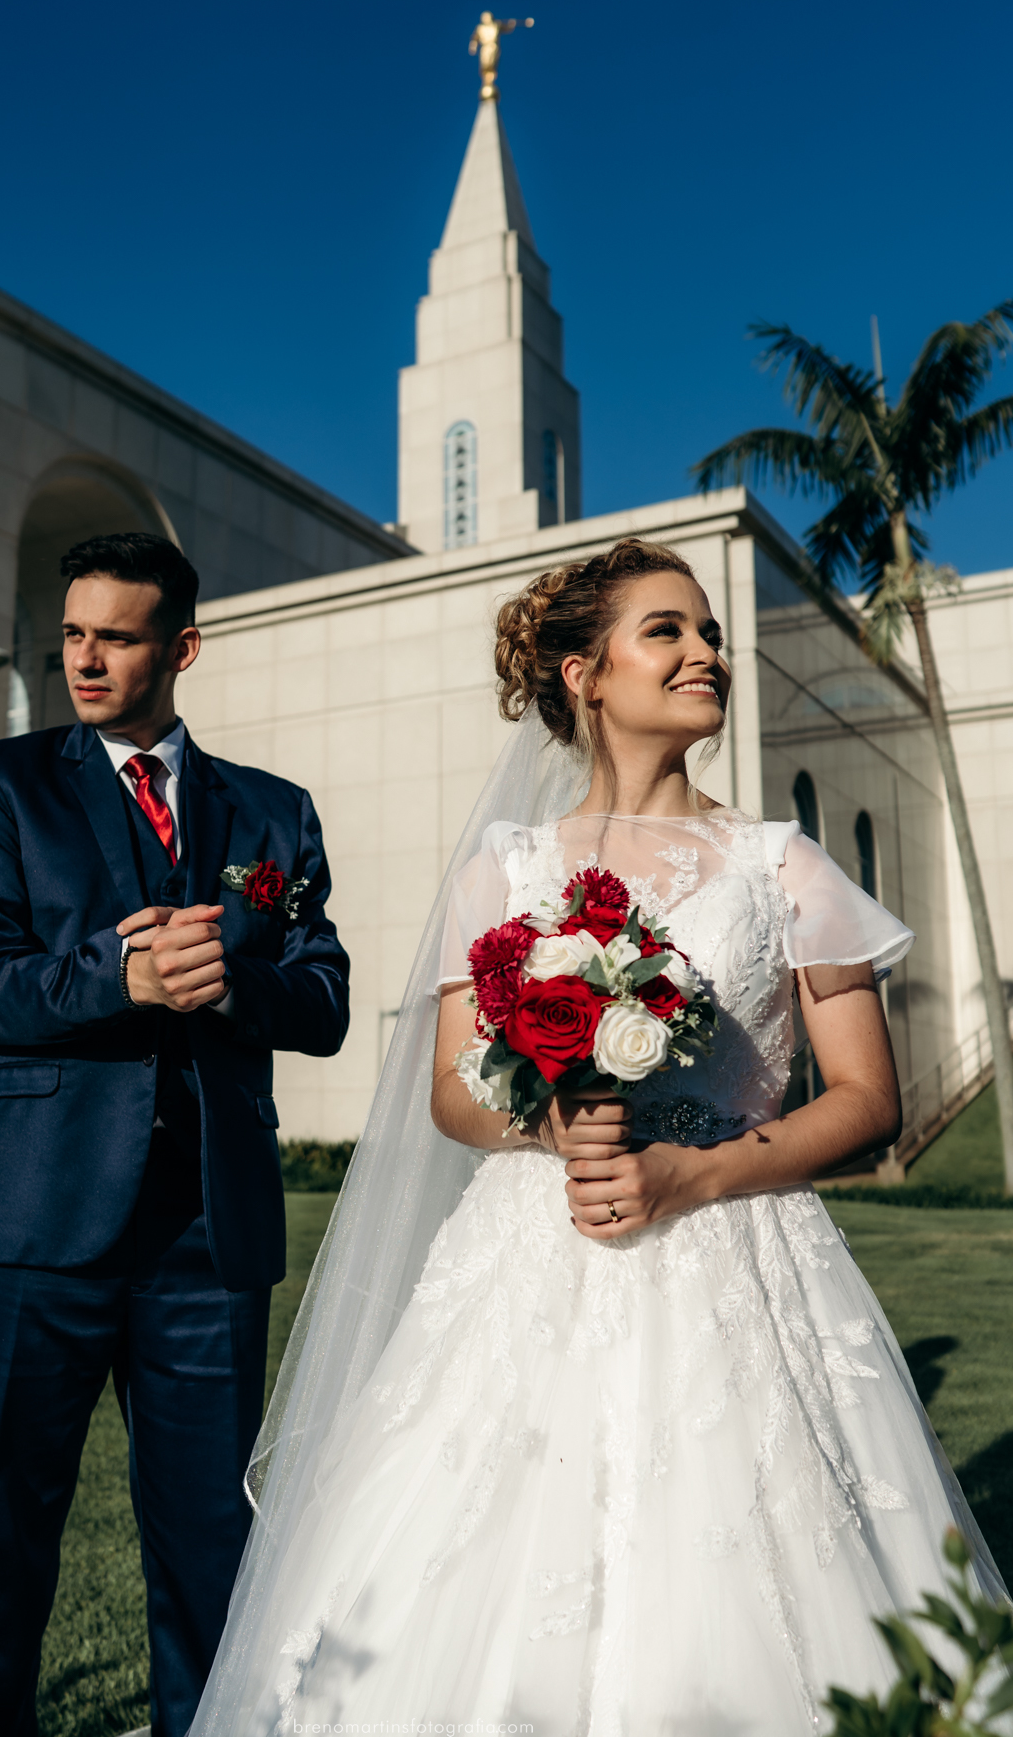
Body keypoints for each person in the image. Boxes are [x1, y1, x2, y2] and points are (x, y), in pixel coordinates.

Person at [191, 538, 1005, 1736]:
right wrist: (552, 1117)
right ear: (584, 674)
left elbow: (866, 1100)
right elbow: (454, 1093)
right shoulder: (505, 871)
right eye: (666, 631)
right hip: (532, 1252)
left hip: (737, 1241)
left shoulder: (782, 865)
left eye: (710, 632)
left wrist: (695, 1174)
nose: (705, 652)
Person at [0, 532, 349, 1737]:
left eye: (115, 637)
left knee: (216, 1569)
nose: (84, 659)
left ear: (183, 648)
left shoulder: (272, 816)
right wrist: (120, 977)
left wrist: (230, 984)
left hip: (207, 1241)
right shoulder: (0, 785)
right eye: (73, 634)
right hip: (27, 1226)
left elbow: (322, 1000)